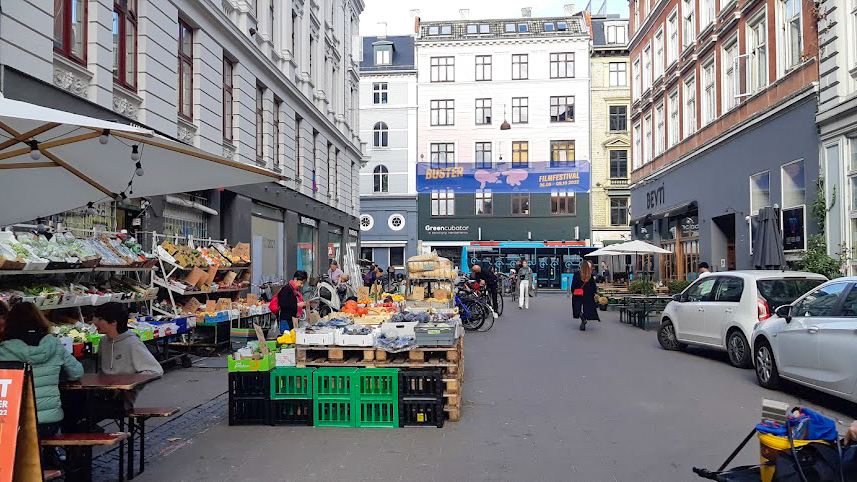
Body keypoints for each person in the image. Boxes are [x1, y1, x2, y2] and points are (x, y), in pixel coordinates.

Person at [0, 302, 84, 440]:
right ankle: (52, 456)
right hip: (50, 422)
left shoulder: (4, 350)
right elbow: (76, 372)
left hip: (15, 421)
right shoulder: (53, 344)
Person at [93, 303, 163, 404]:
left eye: (99, 319)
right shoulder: (103, 342)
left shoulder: (132, 343)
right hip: (107, 393)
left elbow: (155, 371)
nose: (95, 322)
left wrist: (128, 382)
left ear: (113, 322)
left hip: (127, 397)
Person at [571, 260, 600, 331]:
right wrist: (593, 293)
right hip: (588, 295)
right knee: (587, 308)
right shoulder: (590, 276)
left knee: (577, 307)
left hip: (578, 294)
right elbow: (593, 287)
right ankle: (584, 318)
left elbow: (573, 285)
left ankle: (582, 318)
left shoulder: (576, 274)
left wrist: (573, 291)